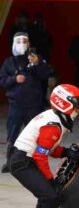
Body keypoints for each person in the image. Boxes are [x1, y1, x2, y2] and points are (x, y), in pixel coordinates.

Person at [8, 85, 79, 208]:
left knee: (45, 197)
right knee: (51, 197)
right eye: (77, 104)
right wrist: (51, 181)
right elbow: (40, 156)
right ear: (64, 103)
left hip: (24, 158)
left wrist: (67, 152)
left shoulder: (55, 117)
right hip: (23, 162)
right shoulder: (53, 124)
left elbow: (48, 149)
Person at [0, 33, 51, 173]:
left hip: (33, 106)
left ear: (29, 43)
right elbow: (2, 80)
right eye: (19, 41)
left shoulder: (35, 59)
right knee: (12, 135)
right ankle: (10, 162)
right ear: (13, 43)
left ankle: (33, 162)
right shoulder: (9, 62)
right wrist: (14, 79)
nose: (22, 43)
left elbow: (46, 74)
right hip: (16, 105)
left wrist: (37, 64)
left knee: (35, 136)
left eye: (25, 41)